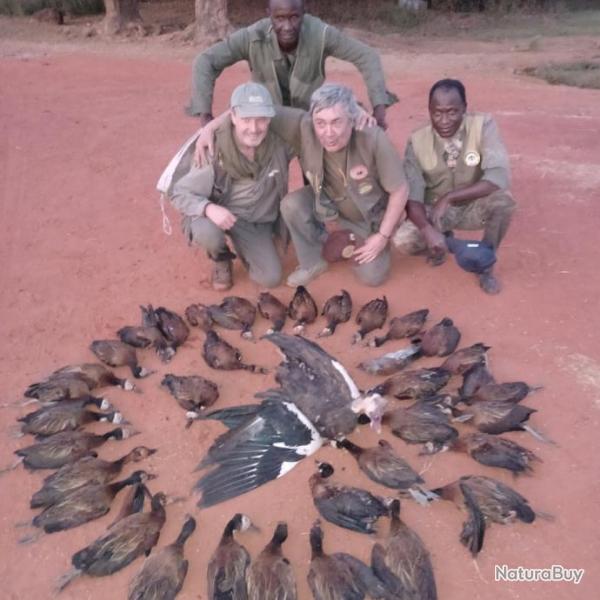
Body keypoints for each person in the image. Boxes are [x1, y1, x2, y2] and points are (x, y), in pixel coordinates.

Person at [195, 83, 404, 287]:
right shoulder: (302, 125)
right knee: (292, 204)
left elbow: (400, 190)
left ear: (351, 119)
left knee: (372, 277)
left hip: (367, 216)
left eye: (337, 122)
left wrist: (382, 236)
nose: (328, 132)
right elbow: (253, 110)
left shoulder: (372, 137)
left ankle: (352, 237)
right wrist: (211, 127)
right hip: (328, 203)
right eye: (320, 123)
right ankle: (312, 262)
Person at [188, 0, 396, 130]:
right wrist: (205, 116)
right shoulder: (253, 36)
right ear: (269, 13)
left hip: (312, 119)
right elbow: (205, 61)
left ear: (304, 12)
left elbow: (367, 56)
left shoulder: (320, 33)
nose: (287, 27)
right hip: (268, 122)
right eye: (279, 19)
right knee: (240, 146)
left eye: (294, 18)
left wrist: (379, 109)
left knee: (352, 134)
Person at [393, 78, 515, 294]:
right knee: (404, 240)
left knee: (504, 203)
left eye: (452, 112)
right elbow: (413, 197)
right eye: (437, 113)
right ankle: (445, 243)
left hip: (473, 205)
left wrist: (449, 197)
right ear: (429, 111)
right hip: (438, 213)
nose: (444, 120)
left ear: (464, 109)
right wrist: (428, 230)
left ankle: (484, 263)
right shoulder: (417, 140)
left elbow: (498, 177)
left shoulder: (483, 126)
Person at [170, 82, 294, 291]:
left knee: (270, 278)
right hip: (220, 215)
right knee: (206, 230)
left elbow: (317, 124)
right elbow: (179, 193)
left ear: (270, 118)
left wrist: (358, 115)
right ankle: (221, 258)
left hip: (256, 220)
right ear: (233, 117)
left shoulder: (280, 142)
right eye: (246, 119)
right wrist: (209, 209)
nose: (254, 129)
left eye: (261, 119)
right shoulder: (212, 148)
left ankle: (250, 242)